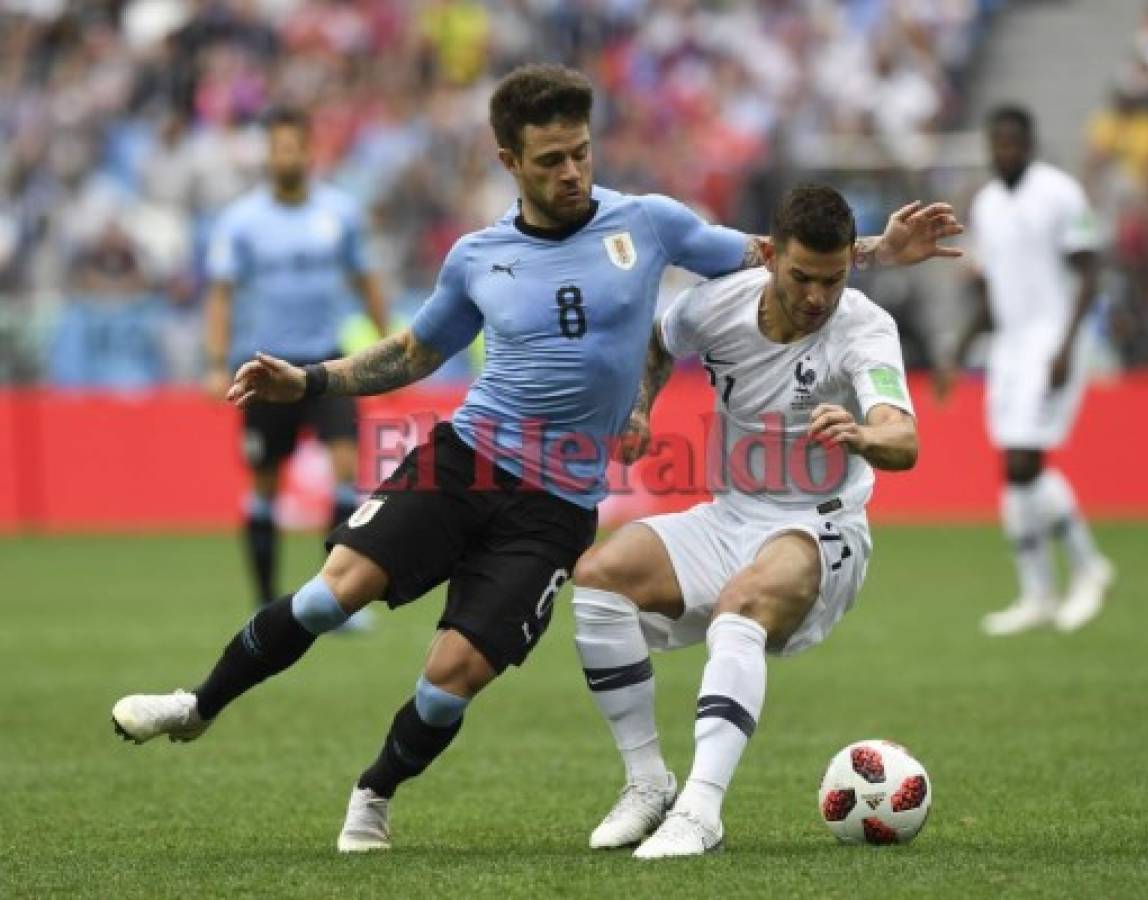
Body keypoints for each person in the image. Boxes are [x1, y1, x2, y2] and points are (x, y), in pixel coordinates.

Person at [111, 65, 960, 853]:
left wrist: (880, 250)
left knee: (451, 679)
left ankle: (374, 792)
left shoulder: (650, 223)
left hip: (555, 506)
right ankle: (196, 704)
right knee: (334, 594)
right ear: (508, 161)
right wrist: (308, 380)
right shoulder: (478, 256)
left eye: (581, 152)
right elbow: (411, 352)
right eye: (550, 159)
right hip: (465, 458)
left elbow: (775, 260)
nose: (572, 172)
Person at [571, 184, 921, 859]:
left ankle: (701, 811)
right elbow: (655, 342)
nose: (818, 296)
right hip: (730, 513)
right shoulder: (714, 304)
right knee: (599, 578)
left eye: (834, 278)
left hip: (821, 527)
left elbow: (902, 439)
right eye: (802, 277)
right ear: (768, 257)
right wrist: (641, 407)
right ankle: (648, 786)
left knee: (742, 606)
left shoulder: (864, 328)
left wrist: (861, 434)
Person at [937, 105, 1113, 636]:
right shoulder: (987, 204)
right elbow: (993, 291)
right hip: (1009, 349)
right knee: (1013, 470)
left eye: (1013, 142)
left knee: (1023, 460)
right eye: (997, 143)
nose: (1004, 151)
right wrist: (958, 351)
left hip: (1052, 340)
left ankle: (1088, 567)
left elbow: (1090, 274)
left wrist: (1065, 345)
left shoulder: (1060, 193)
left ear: (1030, 143)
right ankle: (1038, 592)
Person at [204, 106, 390, 610]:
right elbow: (221, 294)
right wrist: (217, 360)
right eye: (277, 147)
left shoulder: (341, 213)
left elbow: (367, 279)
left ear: (310, 151)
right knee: (265, 482)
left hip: (327, 366)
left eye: (293, 146)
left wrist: (386, 344)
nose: (285, 156)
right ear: (268, 154)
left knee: (347, 467)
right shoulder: (242, 221)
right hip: (264, 367)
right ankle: (266, 600)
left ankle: (338, 600)